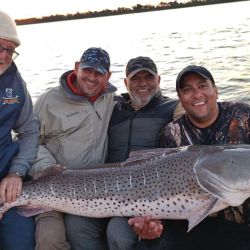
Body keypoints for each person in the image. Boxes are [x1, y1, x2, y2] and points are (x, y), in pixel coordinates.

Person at [30, 47, 116, 250]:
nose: (92, 78)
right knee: (49, 239)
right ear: (77, 67)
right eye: (87, 70)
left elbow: (144, 101)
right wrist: (48, 169)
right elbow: (28, 140)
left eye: (99, 73)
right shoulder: (49, 100)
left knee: (82, 232)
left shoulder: (110, 99)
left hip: (95, 190)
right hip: (50, 186)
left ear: (108, 76)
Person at [157, 65, 250, 250]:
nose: (197, 94)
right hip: (193, 225)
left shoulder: (243, 115)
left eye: (202, 86)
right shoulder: (170, 134)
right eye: (187, 90)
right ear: (180, 99)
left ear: (215, 90)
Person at [106, 56, 178, 250]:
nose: (143, 83)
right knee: (77, 227)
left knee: (118, 234)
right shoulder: (112, 106)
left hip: (147, 192)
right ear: (125, 83)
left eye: (149, 77)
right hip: (104, 185)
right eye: (136, 78)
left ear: (159, 80)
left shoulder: (173, 108)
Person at [0, 10, 39, 250]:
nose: (4, 56)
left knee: (22, 240)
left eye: (10, 50)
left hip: (7, 174)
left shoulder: (16, 84)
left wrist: (17, 171)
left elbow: (30, 130)